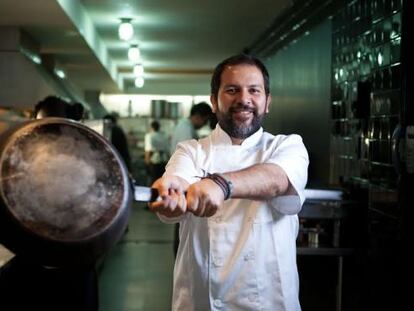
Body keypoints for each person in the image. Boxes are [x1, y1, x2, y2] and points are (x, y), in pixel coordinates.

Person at [149, 54, 309, 310]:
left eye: (254, 91)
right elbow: (175, 181)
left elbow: (276, 179)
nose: (243, 99)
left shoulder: (287, 145)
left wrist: (221, 185)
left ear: (267, 101)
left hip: (269, 301)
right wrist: (168, 196)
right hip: (201, 300)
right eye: (232, 90)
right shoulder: (191, 151)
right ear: (214, 101)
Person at [0, 96, 98, 311]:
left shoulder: (86, 161)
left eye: (50, 127)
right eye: (38, 126)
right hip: (32, 261)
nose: (42, 134)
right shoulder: (24, 156)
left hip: (71, 265)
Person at [170, 102, 212, 256]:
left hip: (181, 178)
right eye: (205, 120)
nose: (204, 124)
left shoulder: (184, 126)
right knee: (182, 220)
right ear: (198, 116)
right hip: (182, 179)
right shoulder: (186, 129)